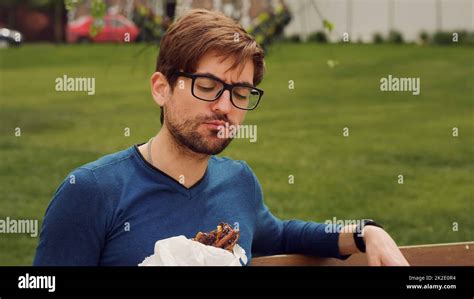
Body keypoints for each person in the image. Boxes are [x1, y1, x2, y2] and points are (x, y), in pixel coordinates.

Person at [34, 9, 409, 266]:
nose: (226, 106)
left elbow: (282, 235)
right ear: (161, 89)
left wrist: (365, 232)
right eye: (208, 86)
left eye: (240, 92)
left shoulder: (238, 182)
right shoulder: (90, 192)